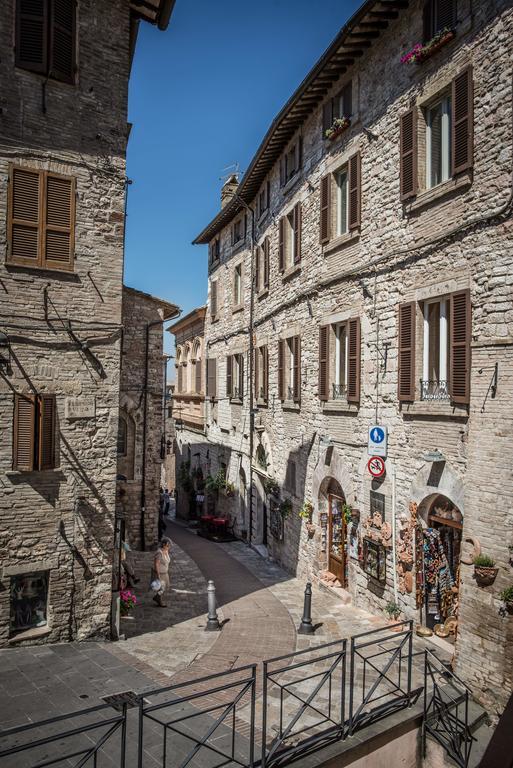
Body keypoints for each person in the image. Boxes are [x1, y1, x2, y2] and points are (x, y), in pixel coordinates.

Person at [152, 537, 171, 608]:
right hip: (160, 573)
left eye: (169, 545)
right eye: (167, 545)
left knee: (165, 587)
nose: (168, 547)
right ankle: (159, 601)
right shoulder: (159, 552)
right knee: (161, 588)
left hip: (165, 572)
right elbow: (156, 564)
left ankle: (157, 597)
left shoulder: (166, 551)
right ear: (163, 545)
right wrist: (158, 575)